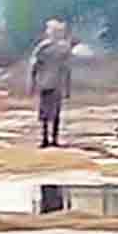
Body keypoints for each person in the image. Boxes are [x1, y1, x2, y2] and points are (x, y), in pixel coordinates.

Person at [29, 19, 73, 148]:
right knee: (50, 112)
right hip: (51, 84)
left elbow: (66, 69)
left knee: (49, 113)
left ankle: (48, 139)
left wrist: (33, 83)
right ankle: (50, 139)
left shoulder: (46, 47)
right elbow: (35, 66)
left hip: (49, 84)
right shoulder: (59, 48)